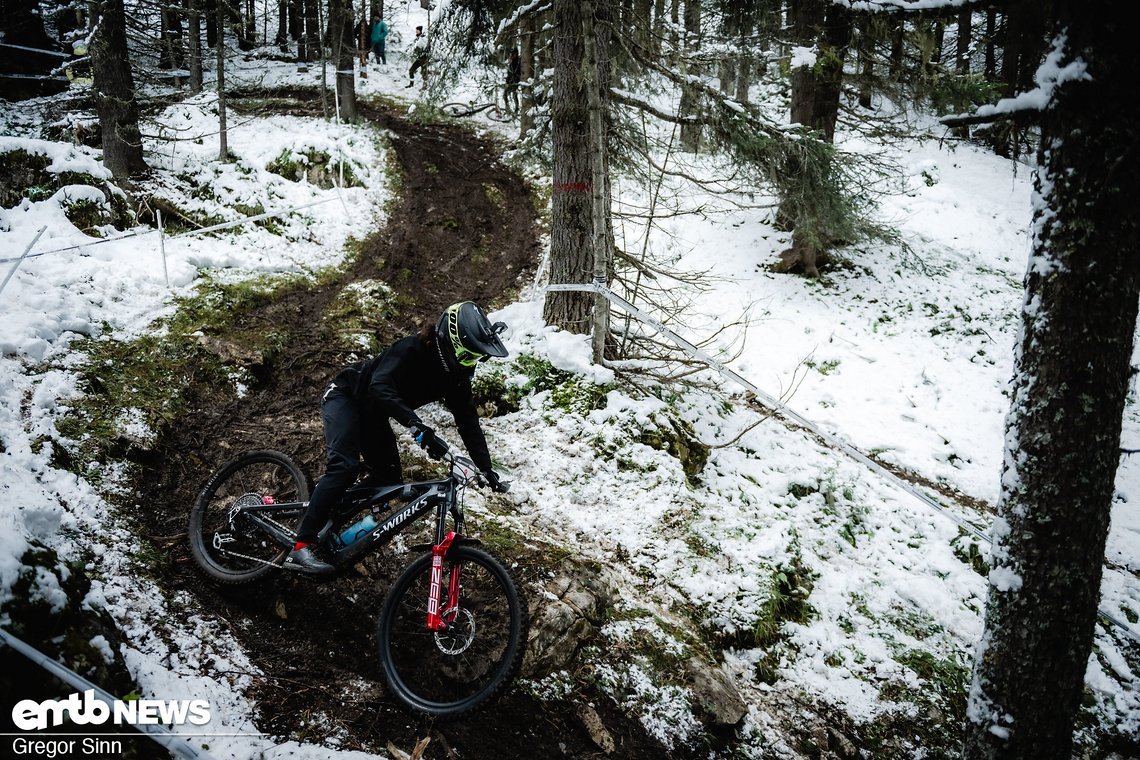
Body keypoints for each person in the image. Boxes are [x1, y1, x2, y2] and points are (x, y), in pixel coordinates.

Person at [287, 301, 511, 575]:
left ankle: (330, 510)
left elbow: (468, 423)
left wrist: (486, 469)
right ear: (452, 342)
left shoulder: (456, 377)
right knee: (344, 465)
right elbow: (379, 386)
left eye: (475, 358)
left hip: (373, 415)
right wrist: (416, 426)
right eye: (468, 356)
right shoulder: (411, 349)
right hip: (346, 396)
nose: (470, 363)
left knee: (389, 479)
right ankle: (300, 545)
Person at [503, 47, 521, 115]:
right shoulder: (512, 61)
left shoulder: (517, 62)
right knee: (510, 94)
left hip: (515, 81)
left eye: (512, 54)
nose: (511, 55)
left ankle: (515, 109)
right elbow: (509, 73)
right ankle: (509, 109)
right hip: (511, 81)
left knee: (512, 94)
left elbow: (514, 73)